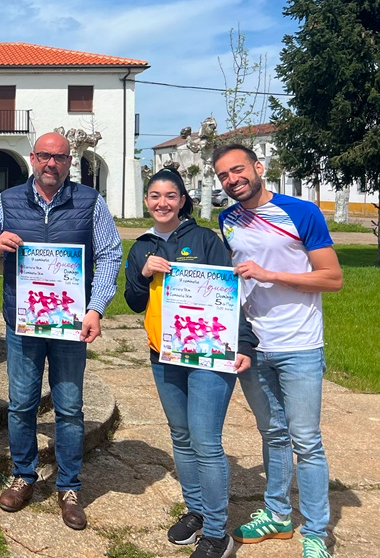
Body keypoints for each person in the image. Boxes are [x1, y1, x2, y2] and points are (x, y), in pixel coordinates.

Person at [0, 132, 122, 530]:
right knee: (21, 403)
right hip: (22, 322)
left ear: (69, 161)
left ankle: (69, 487)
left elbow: (109, 254)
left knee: (70, 407)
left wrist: (96, 308)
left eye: (59, 157)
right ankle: (24, 476)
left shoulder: (90, 202)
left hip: (71, 323)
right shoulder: (7, 201)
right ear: (33, 158)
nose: (51, 164)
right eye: (44, 156)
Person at [214, 144, 342, 558]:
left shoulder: (301, 212)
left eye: (238, 170)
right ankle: (277, 515)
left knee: (306, 441)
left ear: (258, 168)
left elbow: (332, 278)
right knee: (271, 434)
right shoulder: (227, 219)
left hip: (300, 344)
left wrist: (269, 275)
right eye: (222, 176)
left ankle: (318, 533)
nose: (232, 180)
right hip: (254, 346)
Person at [124, 167, 257, 558]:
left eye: (170, 196)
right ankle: (196, 510)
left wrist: (244, 342)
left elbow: (233, 291)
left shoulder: (205, 240)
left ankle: (218, 533)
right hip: (164, 354)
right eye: (154, 196)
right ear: (146, 201)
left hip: (210, 354)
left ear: (183, 200)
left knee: (206, 440)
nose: (162, 203)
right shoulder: (140, 246)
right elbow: (133, 302)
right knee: (180, 436)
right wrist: (144, 273)